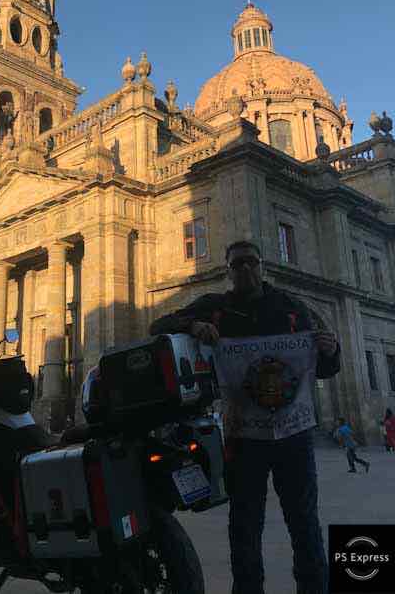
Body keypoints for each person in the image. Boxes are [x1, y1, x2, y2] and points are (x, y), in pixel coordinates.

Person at [150, 239, 341, 594]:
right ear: (228, 271)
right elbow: (157, 325)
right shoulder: (215, 308)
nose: (245, 269)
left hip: (294, 437)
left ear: (261, 265)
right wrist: (192, 327)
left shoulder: (290, 306)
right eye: (237, 264)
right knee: (244, 525)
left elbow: (326, 368)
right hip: (243, 438)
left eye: (251, 262)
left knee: (304, 523)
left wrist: (331, 350)